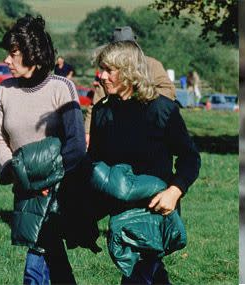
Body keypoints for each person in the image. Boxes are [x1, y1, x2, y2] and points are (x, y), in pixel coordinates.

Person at [88, 40, 200, 284]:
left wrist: (175, 190)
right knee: (149, 274)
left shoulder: (163, 110)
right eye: (101, 69)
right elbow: (94, 164)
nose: (102, 76)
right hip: (120, 213)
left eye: (109, 70)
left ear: (129, 72)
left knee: (138, 275)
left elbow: (190, 157)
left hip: (156, 210)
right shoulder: (101, 113)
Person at [0, 15, 85, 285]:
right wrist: (20, 176)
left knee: (38, 257)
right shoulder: (4, 90)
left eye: (13, 53)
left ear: (33, 54)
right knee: (51, 255)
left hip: (59, 190)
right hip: (24, 189)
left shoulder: (61, 88)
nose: (7, 60)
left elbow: (76, 145)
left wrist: (46, 181)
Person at [84, 26, 175, 134]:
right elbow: (97, 102)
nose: (104, 75)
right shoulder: (107, 70)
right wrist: (87, 132)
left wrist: (144, 98)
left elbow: (169, 90)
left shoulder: (152, 64)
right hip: (115, 121)